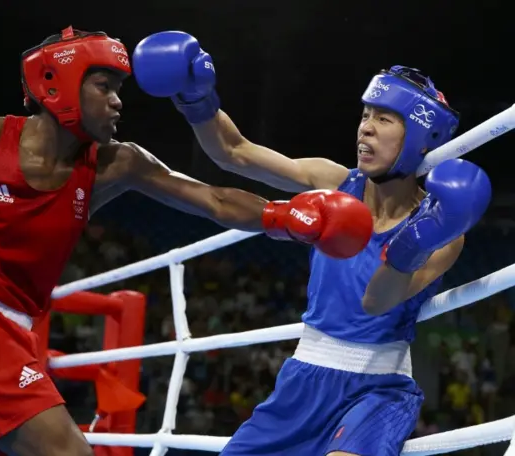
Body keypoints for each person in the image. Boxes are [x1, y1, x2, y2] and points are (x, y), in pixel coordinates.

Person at [0, 27, 374, 456]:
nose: (117, 101)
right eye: (104, 86)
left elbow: (215, 200)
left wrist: (283, 216)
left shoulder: (116, 163)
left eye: (118, 88)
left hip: (15, 334)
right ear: (59, 85)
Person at [132, 32, 492, 455]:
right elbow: (234, 152)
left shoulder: (445, 229)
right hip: (302, 380)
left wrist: (419, 236)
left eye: (385, 119)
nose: (366, 128)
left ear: (420, 136)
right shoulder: (335, 182)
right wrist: (195, 99)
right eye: (365, 114)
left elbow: (376, 301)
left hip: (377, 391)